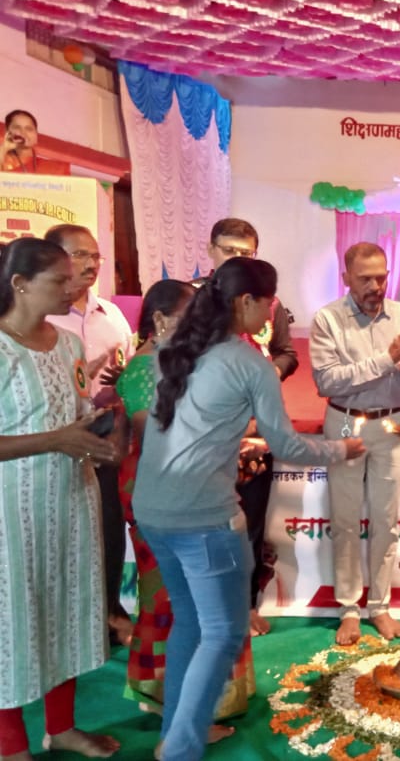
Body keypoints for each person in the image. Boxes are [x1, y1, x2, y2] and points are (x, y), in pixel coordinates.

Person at [131, 257, 364, 761]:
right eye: (270, 303)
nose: (272, 314)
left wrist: (230, 444)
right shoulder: (250, 363)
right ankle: (179, 747)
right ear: (246, 301)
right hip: (203, 517)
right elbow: (289, 445)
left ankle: (176, 731)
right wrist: (341, 450)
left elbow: (189, 426)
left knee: (191, 623)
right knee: (224, 631)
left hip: (153, 510)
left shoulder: (175, 347)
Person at [115, 280, 254, 737]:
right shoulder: (144, 369)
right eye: (189, 315)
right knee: (179, 605)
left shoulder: (175, 363)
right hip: (166, 498)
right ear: (159, 320)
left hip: (182, 492)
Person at [0, 237, 121, 760]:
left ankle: (63, 727)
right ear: (20, 284)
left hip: (71, 498)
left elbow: (73, 415)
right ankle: (10, 745)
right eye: (60, 279)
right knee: (13, 619)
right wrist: (56, 440)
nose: (73, 287)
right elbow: (50, 433)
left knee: (65, 610)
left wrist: (101, 429)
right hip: (12, 511)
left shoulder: (69, 345)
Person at [310, 242, 400, 646]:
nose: (375, 286)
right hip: (345, 423)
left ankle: (379, 605)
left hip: (393, 426)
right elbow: (328, 381)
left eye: (381, 277)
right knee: (345, 520)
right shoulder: (328, 319)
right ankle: (349, 609)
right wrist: (389, 356)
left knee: (386, 520)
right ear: (346, 277)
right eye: (365, 279)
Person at [194, 218, 299, 636]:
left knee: (250, 523)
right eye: (229, 250)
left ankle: (245, 606)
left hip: (257, 429)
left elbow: (287, 352)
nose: (237, 258)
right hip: (205, 437)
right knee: (205, 524)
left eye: (246, 252)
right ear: (211, 250)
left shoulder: (270, 304)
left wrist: (269, 372)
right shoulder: (191, 300)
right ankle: (204, 609)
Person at [44, 223, 135, 647]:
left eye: (95, 255)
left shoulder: (111, 316)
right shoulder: (41, 314)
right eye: (78, 254)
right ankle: (62, 625)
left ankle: (110, 613)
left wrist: (118, 409)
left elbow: (128, 375)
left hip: (106, 436)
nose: (90, 263)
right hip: (52, 441)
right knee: (60, 536)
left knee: (108, 530)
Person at [1, 110, 70, 175]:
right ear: (7, 132)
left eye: (29, 129)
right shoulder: (2, 160)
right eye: (17, 127)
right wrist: (4, 148)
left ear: (36, 134)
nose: (23, 132)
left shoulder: (56, 168)